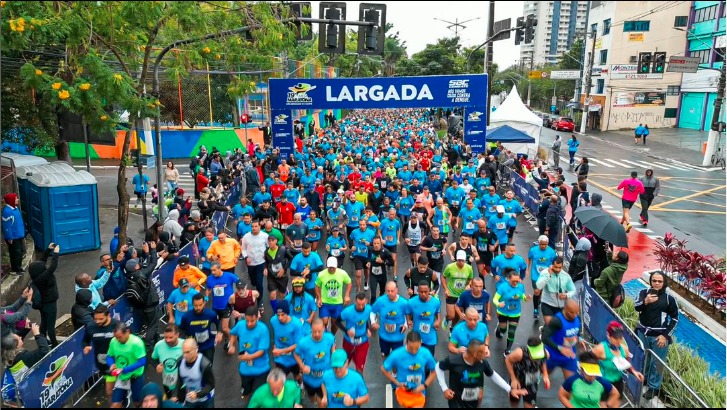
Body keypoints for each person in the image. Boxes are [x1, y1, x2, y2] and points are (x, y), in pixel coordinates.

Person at [437, 339, 520, 408]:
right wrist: (445, 389)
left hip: (474, 401)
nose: (486, 354)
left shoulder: (482, 362)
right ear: (475, 354)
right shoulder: (453, 360)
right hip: (456, 402)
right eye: (484, 352)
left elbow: (493, 375)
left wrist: (510, 389)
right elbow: (438, 367)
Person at [634, 271, 678, 400]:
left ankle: (654, 387)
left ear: (664, 282)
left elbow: (675, 319)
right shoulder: (643, 292)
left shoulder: (669, 299)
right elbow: (636, 307)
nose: (657, 284)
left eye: (660, 281)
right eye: (654, 281)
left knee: (658, 362)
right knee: (645, 358)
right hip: (643, 334)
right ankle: (645, 378)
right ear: (650, 281)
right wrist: (646, 301)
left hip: (659, 337)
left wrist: (665, 335)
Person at [380, 331, 437, 408]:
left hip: (419, 391)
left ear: (420, 343)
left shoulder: (425, 353)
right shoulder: (397, 354)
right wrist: (397, 383)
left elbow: (434, 371)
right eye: (411, 348)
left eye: (417, 348)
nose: (414, 351)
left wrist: (424, 386)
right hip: (403, 391)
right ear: (406, 343)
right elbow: (383, 369)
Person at [1, 323, 50, 404]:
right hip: (32, 390)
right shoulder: (24, 358)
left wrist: (26, 329)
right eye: (19, 338)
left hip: (22, 388)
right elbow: (44, 350)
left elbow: (16, 340)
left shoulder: (8, 354)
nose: (20, 337)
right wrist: (37, 334)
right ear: (16, 346)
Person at [228, 306, 271, 400]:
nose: (249, 324)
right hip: (245, 370)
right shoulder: (240, 325)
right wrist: (231, 345)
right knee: (246, 394)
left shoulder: (263, 329)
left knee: (258, 396)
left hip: (261, 370)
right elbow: (233, 333)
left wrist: (249, 357)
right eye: (247, 320)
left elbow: (262, 351)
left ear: (257, 317)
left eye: (252, 321)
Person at [590, 321, 644, 395]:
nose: (619, 341)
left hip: (618, 383)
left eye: (620, 337)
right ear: (608, 335)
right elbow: (587, 361)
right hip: (603, 383)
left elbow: (626, 364)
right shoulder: (601, 349)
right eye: (615, 338)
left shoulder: (624, 349)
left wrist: (635, 372)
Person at [294, 319, 336, 408]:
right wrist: (302, 366)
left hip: (324, 379)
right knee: (312, 398)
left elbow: (333, 347)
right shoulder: (303, 342)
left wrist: (334, 359)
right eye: (314, 332)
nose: (317, 334)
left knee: (322, 404)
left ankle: (319, 402)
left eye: (319, 331)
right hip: (309, 379)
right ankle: (315, 399)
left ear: (324, 329)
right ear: (311, 330)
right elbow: (296, 354)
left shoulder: (330, 338)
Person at [83, 305, 119, 405]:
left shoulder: (117, 325)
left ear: (108, 316)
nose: (97, 321)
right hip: (104, 365)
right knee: (109, 392)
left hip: (121, 363)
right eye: (95, 319)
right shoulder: (90, 326)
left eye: (101, 319)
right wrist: (86, 346)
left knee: (121, 389)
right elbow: (85, 340)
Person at [107, 322, 147, 408]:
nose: (117, 340)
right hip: (122, 377)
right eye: (116, 337)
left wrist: (124, 369)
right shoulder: (113, 341)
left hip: (135, 377)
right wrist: (111, 364)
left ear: (127, 332)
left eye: (119, 337)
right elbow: (109, 356)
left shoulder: (136, 343)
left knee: (137, 402)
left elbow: (142, 361)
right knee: (115, 404)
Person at [505, 336, 551, 408]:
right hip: (518, 377)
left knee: (530, 405)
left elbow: (543, 362)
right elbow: (508, 360)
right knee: (515, 399)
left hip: (531, 381)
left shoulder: (545, 353)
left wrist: (545, 374)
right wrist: (513, 379)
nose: (537, 359)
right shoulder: (519, 353)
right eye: (535, 356)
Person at [28, 243, 60, 347]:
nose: (44, 265)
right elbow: (52, 267)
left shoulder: (37, 276)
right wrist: (55, 254)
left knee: (44, 322)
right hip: (49, 304)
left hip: (43, 303)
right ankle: (55, 344)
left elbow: (41, 261)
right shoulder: (43, 277)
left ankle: (43, 341)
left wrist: (48, 250)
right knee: (50, 325)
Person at [543, 299, 583, 380]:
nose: (575, 315)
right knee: (542, 375)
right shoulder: (556, 320)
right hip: (552, 355)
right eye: (572, 312)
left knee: (571, 383)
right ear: (565, 309)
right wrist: (561, 349)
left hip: (569, 356)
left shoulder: (577, 318)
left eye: (577, 312)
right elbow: (544, 338)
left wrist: (580, 338)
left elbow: (578, 330)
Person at [493, 269, 530, 355]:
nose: (515, 283)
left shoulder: (520, 287)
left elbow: (522, 297)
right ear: (508, 279)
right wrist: (498, 304)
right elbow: (495, 299)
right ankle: (499, 329)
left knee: (511, 331)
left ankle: (508, 349)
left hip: (515, 313)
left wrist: (526, 298)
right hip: (503, 312)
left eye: (517, 281)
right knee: (503, 330)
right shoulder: (503, 287)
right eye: (513, 281)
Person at [371, 281, 409, 358]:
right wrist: (373, 322)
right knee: (384, 355)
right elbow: (372, 311)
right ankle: (386, 368)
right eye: (388, 291)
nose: (390, 293)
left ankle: (394, 370)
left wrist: (405, 325)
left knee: (397, 357)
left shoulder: (403, 303)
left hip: (398, 336)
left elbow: (407, 314)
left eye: (392, 291)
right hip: (384, 336)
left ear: (397, 290)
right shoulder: (380, 301)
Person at [179, 293, 221, 363]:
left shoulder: (211, 314)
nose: (198, 308)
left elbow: (218, 323)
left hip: (208, 345)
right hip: (192, 347)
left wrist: (219, 333)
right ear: (192, 304)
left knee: (207, 365)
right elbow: (181, 329)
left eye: (200, 305)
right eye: (196, 306)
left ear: (204, 303)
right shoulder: (186, 316)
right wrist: (186, 339)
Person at [337, 292, 373, 373]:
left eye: (363, 305)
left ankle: (359, 383)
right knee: (344, 365)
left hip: (362, 341)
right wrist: (346, 331)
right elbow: (337, 322)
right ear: (355, 302)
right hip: (348, 342)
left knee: (360, 367)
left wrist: (367, 329)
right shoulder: (347, 311)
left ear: (366, 301)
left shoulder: (368, 309)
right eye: (359, 304)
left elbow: (365, 320)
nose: (361, 307)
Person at [315, 257, 352, 334]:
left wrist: (347, 295)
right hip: (325, 302)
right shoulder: (322, 274)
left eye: (333, 267)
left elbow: (349, 282)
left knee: (335, 324)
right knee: (324, 321)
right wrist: (319, 298)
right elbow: (317, 285)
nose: (332, 269)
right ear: (327, 266)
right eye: (330, 267)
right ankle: (325, 335)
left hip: (337, 303)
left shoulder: (342, 273)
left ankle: (332, 336)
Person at [174, 338, 215, 408]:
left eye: (188, 352)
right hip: (190, 399)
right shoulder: (180, 362)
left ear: (196, 349)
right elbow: (180, 382)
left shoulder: (204, 364)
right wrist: (178, 398)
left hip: (206, 399)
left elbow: (211, 385)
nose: (184, 355)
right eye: (183, 352)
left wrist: (197, 394)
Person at [535, 257, 575, 325]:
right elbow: (538, 286)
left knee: (558, 327)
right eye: (556, 267)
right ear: (552, 265)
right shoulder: (545, 273)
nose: (557, 269)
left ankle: (544, 330)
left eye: (560, 267)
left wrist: (566, 295)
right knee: (550, 324)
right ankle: (546, 331)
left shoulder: (566, 276)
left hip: (561, 306)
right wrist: (548, 275)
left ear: (562, 266)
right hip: (547, 304)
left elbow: (573, 290)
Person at [441, 250, 475, 332]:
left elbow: (471, 279)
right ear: (456, 259)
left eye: (462, 260)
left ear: (465, 260)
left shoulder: (469, 268)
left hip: (462, 295)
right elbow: (443, 277)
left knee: (458, 316)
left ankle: (452, 329)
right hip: (451, 293)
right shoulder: (450, 267)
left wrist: (468, 285)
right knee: (451, 315)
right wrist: (446, 289)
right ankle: (447, 318)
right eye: (459, 260)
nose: (460, 262)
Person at [406, 280, 442, 356]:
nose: (423, 294)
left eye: (425, 292)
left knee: (428, 360)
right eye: (421, 292)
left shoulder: (436, 302)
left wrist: (438, 321)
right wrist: (409, 320)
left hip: (430, 337)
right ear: (418, 291)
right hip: (416, 336)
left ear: (429, 290)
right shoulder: (411, 302)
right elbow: (408, 313)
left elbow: (437, 314)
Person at [269, 301, 303, 379]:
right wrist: (274, 346)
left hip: (294, 357)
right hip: (281, 359)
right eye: (278, 315)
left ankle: (300, 386)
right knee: (279, 379)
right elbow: (273, 334)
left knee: (297, 376)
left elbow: (298, 344)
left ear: (287, 313)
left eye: (282, 315)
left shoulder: (296, 325)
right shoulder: (273, 321)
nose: (280, 318)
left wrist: (281, 351)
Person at [527, 236, 557, 320]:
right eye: (541, 244)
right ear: (538, 243)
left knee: (543, 292)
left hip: (546, 276)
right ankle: (535, 310)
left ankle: (539, 300)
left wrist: (552, 270)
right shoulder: (533, 250)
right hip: (535, 275)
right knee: (536, 292)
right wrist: (527, 268)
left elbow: (554, 263)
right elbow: (529, 258)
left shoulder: (551, 252)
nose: (543, 246)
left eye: (545, 244)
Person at [241, 220, 269, 309]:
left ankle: (260, 301)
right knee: (253, 281)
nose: (254, 228)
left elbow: (269, 247)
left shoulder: (265, 236)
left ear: (259, 227)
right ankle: (252, 283)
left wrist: (267, 256)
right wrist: (246, 257)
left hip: (261, 262)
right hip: (250, 263)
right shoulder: (246, 237)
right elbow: (243, 249)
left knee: (259, 283)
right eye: (252, 226)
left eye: (256, 226)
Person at [151, 324, 183, 397]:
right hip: (167, 381)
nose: (168, 340)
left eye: (171, 337)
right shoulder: (159, 345)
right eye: (165, 337)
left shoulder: (184, 345)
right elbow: (153, 359)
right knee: (169, 399)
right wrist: (156, 366)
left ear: (177, 335)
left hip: (182, 383)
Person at [264, 235, 291, 312]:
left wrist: (284, 269)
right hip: (271, 276)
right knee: (272, 295)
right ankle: (276, 312)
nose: (271, 242)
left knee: (282, 295)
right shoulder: (266, 252)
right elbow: (266, 262)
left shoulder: (283, 249)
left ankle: (286, 307)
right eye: (269, 241)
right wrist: (265, 268)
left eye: (272, 240)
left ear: (276, 241)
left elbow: (290, 259)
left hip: (282, 276)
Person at [2, 193, 25, 275]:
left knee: (19, 252)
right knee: (16, 253)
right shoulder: (7, 212)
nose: (17, 200)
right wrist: (9, 237)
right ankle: (16, 269)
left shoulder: (15, 209)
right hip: (13, 237)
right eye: (16, 198)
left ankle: (18, 268)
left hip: (19, 235)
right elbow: (6, 226)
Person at [367, 237, 395, 303]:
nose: (376, 245)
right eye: (374, 243)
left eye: (378, 243)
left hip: (382, 276)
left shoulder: (385, 252)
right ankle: (372, 310)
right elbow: (368, 257)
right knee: (373, 295)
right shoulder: (370, 250)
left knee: (382, 293)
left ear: (381, 243)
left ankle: (380, 306)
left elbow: (392, 263)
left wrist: (382, 262)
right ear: (372, 243)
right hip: (373, 275)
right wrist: (368, 262)